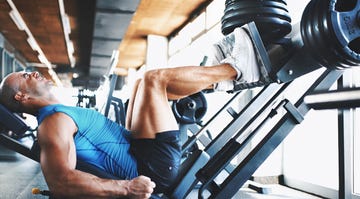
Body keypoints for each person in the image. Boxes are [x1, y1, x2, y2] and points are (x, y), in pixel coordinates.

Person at [0, 26, 269, 199]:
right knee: (155, 79)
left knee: (142, 82)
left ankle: (217, 77)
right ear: (21, 96)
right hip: (150, 167)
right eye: (25, 76)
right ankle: (237, 69)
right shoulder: (52, 124)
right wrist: (126, 188)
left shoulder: (57, 115)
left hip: (138, 149)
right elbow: (61, 182)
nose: (34, 72)